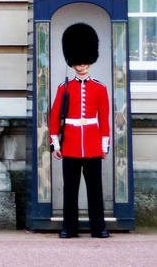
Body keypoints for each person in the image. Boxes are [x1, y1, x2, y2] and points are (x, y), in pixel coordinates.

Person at [50, 22, 110, 239]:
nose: (81, 65)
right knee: (70, 190)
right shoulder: (64, 88)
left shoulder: (100, 88)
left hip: (93, 144)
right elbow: (55, 116)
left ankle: (98, 227)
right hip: (71, 144)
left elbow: (104, 119)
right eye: (78, 62)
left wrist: (104, 145)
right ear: (72, 62)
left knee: (95, 189)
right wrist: (56, 144)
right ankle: (69, 227)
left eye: (84, 61)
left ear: (90, 61)